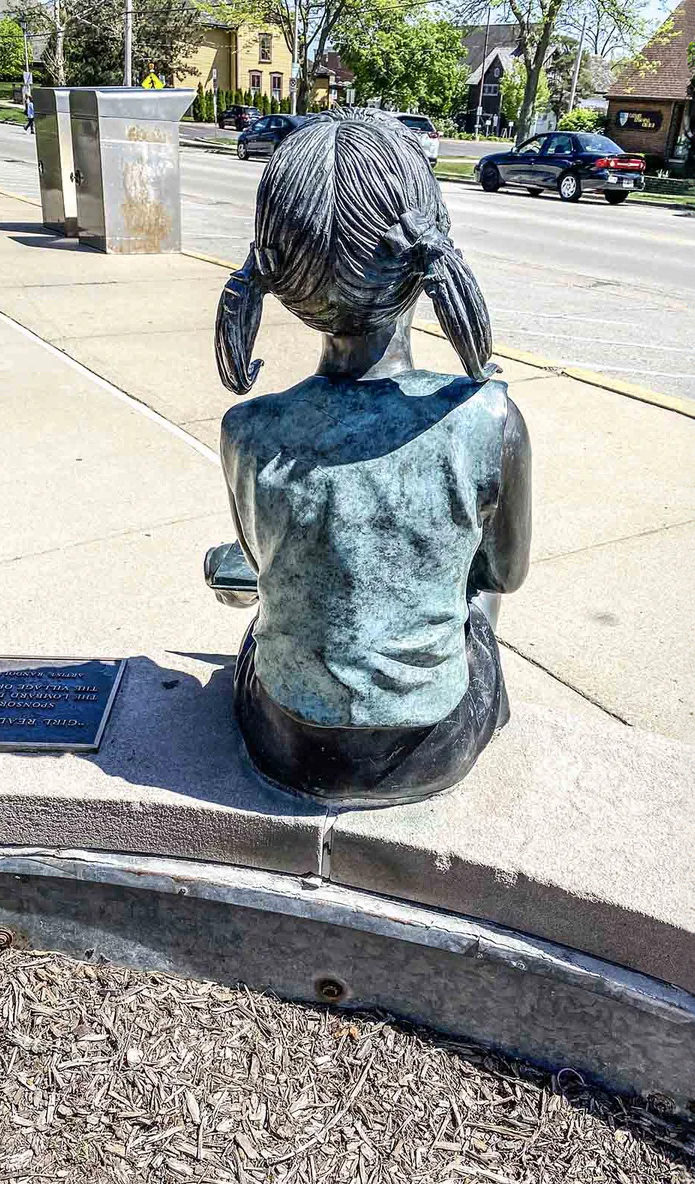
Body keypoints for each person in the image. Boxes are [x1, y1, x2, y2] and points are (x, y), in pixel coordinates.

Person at [212, 109, 531, 803]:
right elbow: (501, 577)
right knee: (476, 607)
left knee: (259, 622)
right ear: (426, 261)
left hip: (283, 743)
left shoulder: (247, 428)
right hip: (433, 746)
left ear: (277, 272)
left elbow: (262, 568)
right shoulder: (488, 417)